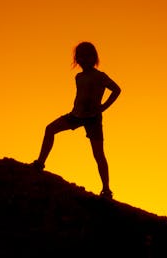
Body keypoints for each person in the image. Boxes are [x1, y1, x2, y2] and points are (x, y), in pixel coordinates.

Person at [32, 42, 121, 199]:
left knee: (98, 154)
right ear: (77, 59)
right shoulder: (78, 77)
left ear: (93, 58)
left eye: (86, 56)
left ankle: (106, 189)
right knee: (50, 129)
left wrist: (103, 107)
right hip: (76, 115)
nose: (83, 59)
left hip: (93, 119)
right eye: (80, 56)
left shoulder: (100, 76)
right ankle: (40, 163)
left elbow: (117, 89)